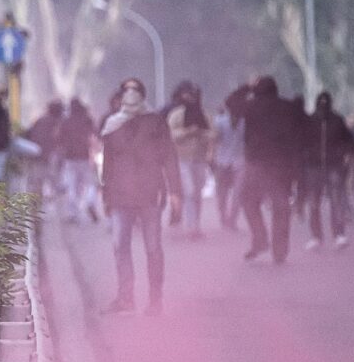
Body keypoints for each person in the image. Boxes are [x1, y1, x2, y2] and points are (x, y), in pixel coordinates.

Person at [99, 78, 182, 316]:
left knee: (153, 248)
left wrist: (175, 192)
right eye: (127, 90)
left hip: (150, 195)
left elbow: (169, 157)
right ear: (120, 95)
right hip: (119, 196)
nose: (131, 94)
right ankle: (126, 299)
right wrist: (106, 196)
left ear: (143, 95)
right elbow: (108, 164)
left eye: (136, 90)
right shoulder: (112, 125)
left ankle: (155, 301)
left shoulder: (156, 122)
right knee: (119, 246)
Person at [235, 76, 304, 262]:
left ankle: (260, 238)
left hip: (256, 163)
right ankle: (279, 251)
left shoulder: (250, 106)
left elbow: (230, 103)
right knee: (281, 207)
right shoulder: (288, 108)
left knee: (248, 200)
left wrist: (247, 87)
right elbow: (302, 131)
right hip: (282, 165)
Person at [300, 92, 354, 250]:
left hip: (333, 165)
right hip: (314, 166)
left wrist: (345, 154)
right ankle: (317, 236)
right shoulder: (311, 121)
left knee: (335, 201)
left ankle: (339, 234)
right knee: (314, 203)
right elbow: (302, 142)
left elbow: (348, 140)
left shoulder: (337, 121)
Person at [166, 81, 212, 238]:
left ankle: (196, 225)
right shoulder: (176, 115)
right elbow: (171, 136)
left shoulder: (204, 115)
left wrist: (201, 133)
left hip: (199, 159)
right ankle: (190, 226)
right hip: (182, 159)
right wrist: (187, 132)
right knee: (189, 191)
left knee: (197, 193)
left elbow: (213, 134)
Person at [57, 98, 96, 223]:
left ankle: (72, 213)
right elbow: (94, 135)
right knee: (89, 184)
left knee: (71, 186)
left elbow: (59, 138)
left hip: (70, 158)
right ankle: (90, 201)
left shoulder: (66, 121)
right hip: (84, 157)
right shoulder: (87, 119)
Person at [212, 101, 245, 230]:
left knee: (238, 192)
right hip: (222, 161)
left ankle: (232, 219)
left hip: (239, 161)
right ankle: (223, 217)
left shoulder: (245, 122)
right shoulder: (220, 121)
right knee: (222, 192)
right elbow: (214, 138)